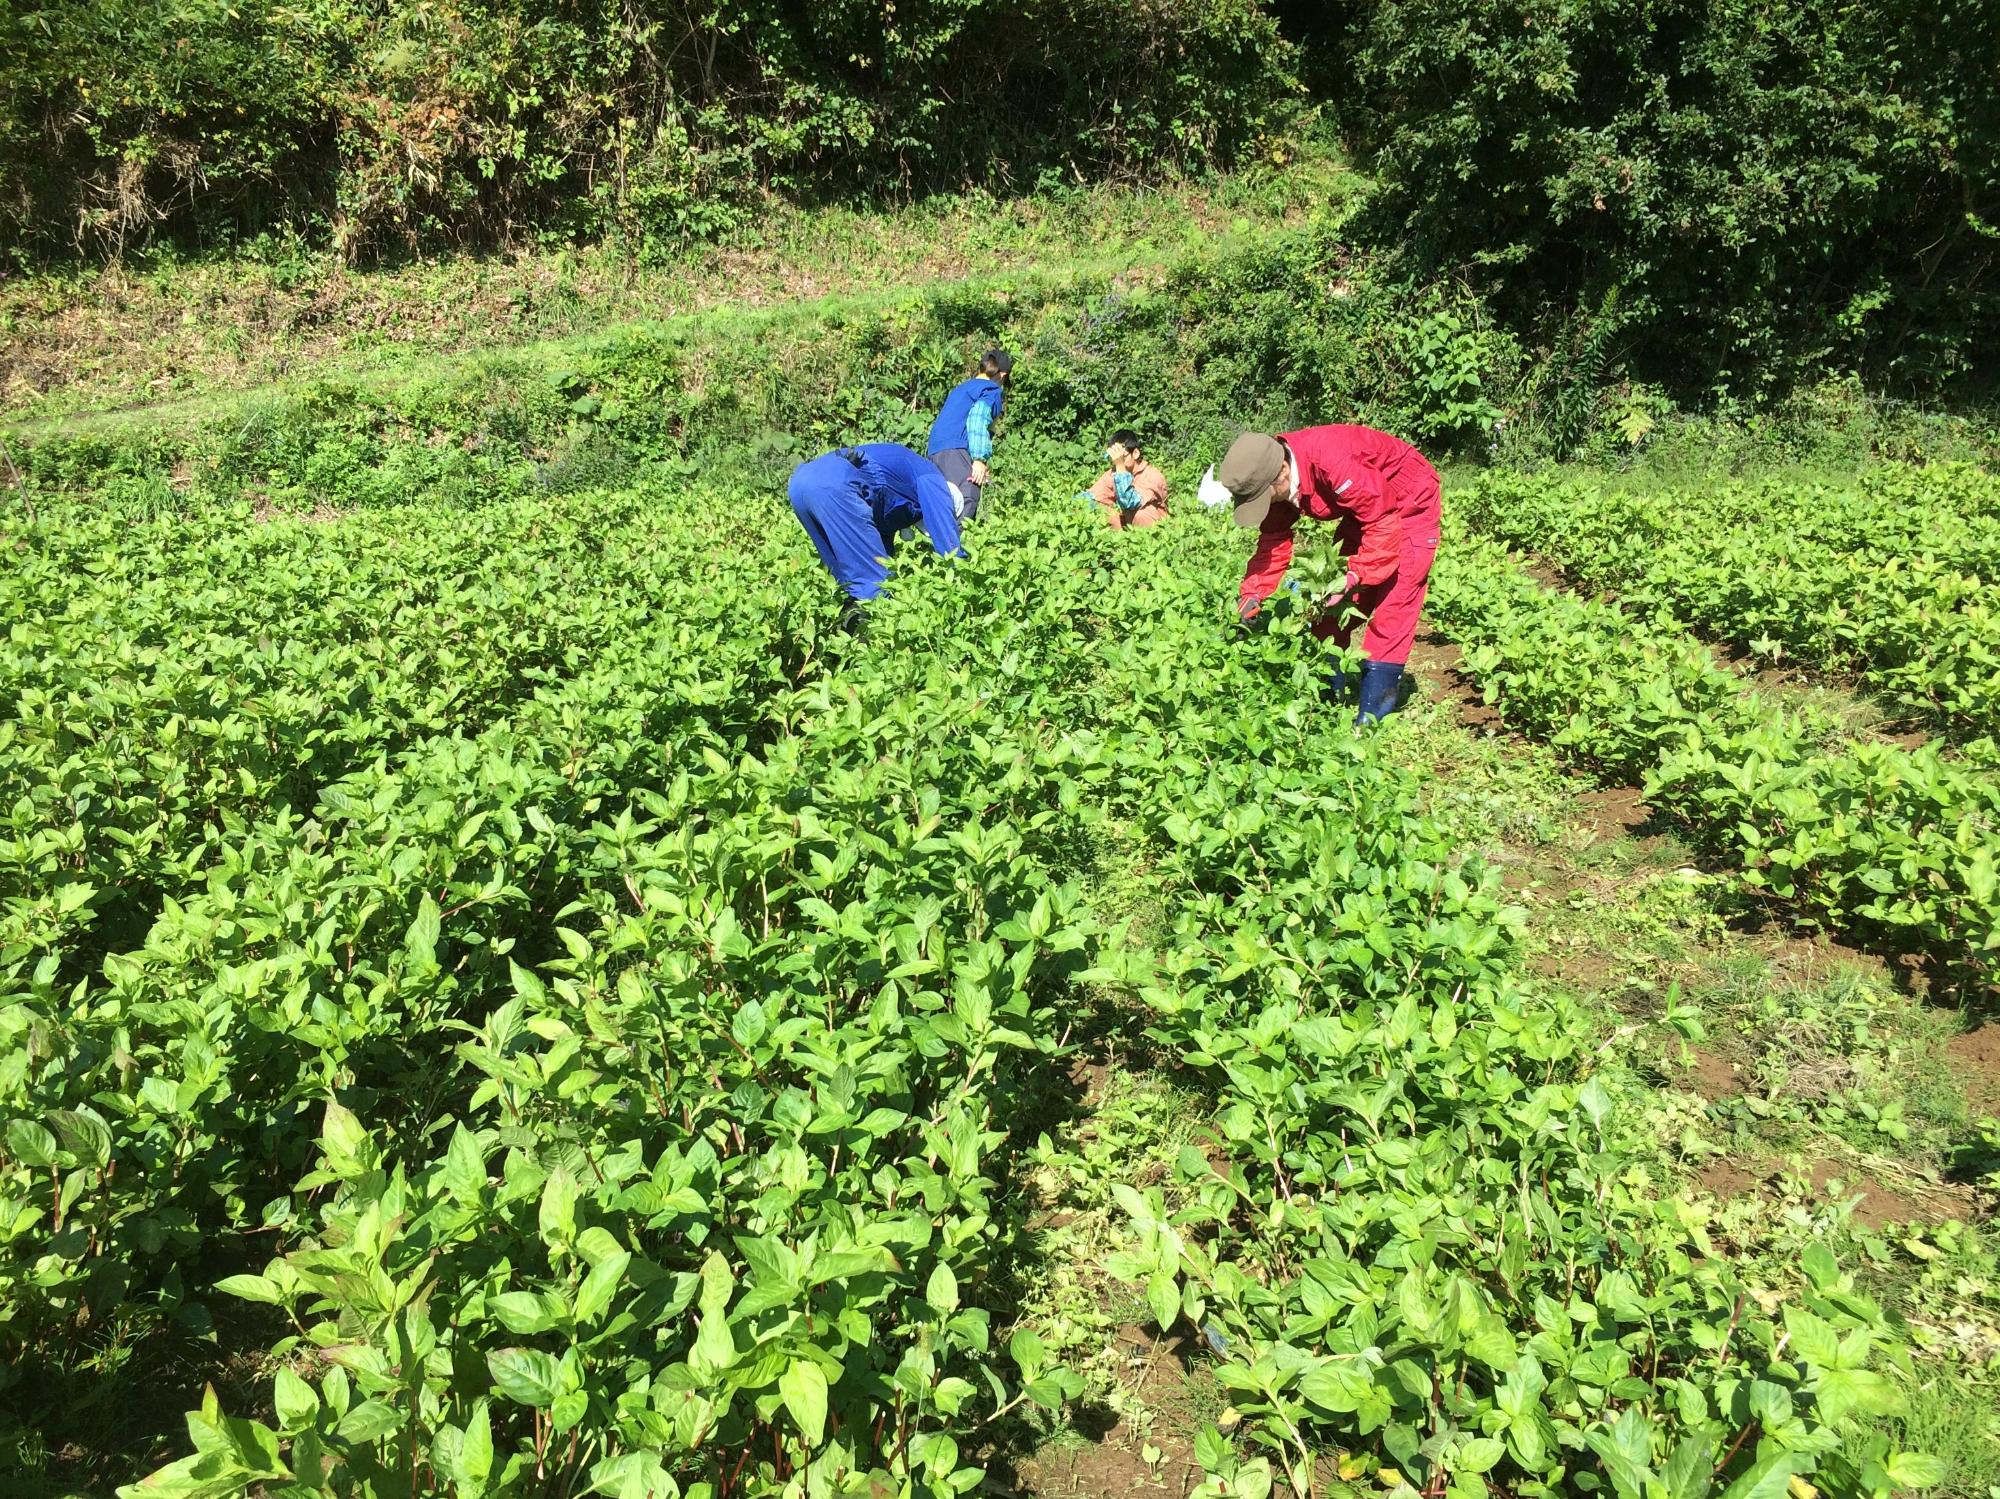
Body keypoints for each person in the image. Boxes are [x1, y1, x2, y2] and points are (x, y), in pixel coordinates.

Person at [1217, 424, 1442, 725]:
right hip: (1365, 509)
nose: (1264, 505)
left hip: (1407, 500)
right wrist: (1252, 594)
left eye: (1262, 497)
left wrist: (1354, 577)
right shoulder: (1275, 477)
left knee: (1394, 603)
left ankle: (1372, 717)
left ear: (1282, 471)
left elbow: (1383, 523)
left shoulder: (1332, 461)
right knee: (1331, 608)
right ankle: (1326, 703)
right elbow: (1273, 540)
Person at [788, 443, 964, 626]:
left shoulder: (905, 483)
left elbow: (877, 536)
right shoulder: (933, 479)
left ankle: (841, 638)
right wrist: (963, 577)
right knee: (876, 586)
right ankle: (871, 642)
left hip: (801, 484)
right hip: (836, 486)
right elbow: (949, 547)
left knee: (845, 583)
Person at [926, 349, 1012, 521]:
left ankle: (938, 537)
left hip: (935, 451)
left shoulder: (961, 389)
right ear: (1003, 375)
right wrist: (979, 459)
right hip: (957, 450)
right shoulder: (990, 390)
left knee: (943, 504)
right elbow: (978, 418)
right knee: (966, 500)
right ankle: (958, 539)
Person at [1087, 430, 1169, 530]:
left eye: (1122, 457)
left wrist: (1120, 467)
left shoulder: (1152, 475)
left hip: (1153, 529)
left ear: (1135, 453)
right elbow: (1090, 496)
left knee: (1141, 515)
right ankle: (1118, 539)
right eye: (1115, 458)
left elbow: (1130, 502)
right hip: (1126, 526)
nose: (1117, 461)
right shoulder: (1114, 472)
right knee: (1103, 511)